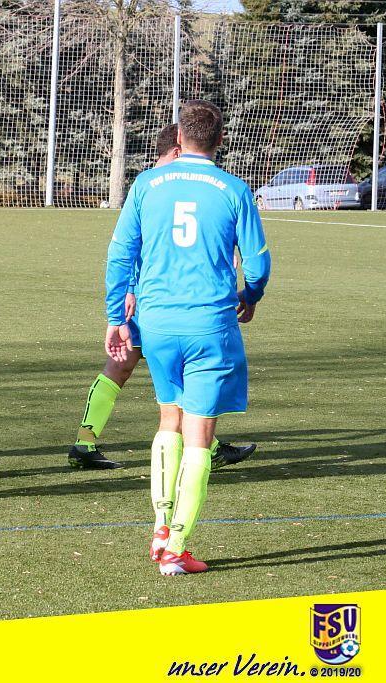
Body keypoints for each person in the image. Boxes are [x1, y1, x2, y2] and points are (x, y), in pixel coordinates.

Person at [105, 100, 271, 575]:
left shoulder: (146, 184)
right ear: (220, 141)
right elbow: (258, 264)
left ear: (178, 139)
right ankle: (176, 548)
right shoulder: (234, 189)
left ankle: (160, 526)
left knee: (168, 420)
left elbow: (120, 256)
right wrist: (250, 295)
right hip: (209, 324)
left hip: (156, 324)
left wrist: (116, 315)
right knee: (199, 436)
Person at [69, 123, 255, 472]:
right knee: (157, 370)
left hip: (152, 298)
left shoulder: (151, 185)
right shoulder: (161, 186)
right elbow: (130, 249)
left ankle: (86, 440)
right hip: (154, 298)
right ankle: (201, 448)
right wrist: (128, 289)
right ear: (177, 150)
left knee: (132, 368)